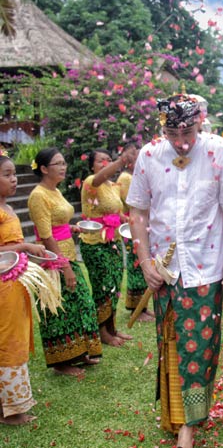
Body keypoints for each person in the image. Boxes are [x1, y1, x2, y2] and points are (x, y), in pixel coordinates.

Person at [126, 93, 223, 448]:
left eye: (188, 133)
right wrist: (145, 260)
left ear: (201, 122)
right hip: (165, 270)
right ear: (161, 128)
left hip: (205, 268)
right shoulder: (149, 155)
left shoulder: (221, 151)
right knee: (170, 341)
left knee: (201, 344)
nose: (180, 143)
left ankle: (188, 426)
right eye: (172, 134)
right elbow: (138, 212)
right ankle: (176, 415)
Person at [28, 148, 102, 376]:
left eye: (63, 163)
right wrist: (65, 267)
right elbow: (46, 235)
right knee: (60, 309)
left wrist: (70, 228)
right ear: (43, 169)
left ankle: (81, 352)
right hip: (53, 261)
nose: (63, 167)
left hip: (68, 253)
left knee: (82, 303)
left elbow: (56, 224)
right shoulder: (37, 195)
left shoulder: (55, 191)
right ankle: (62, 361)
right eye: (57, 164)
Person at [0, 154, 45, 424]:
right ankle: (10, 410)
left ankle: (11, 403)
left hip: (14, 283)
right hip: (3, 287)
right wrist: (25, 247)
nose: (14, 179)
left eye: (14, 173)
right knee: (8, 341)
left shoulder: (8, 207)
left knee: (16, 337)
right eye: (7, 174)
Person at [80, 147, 136, 347]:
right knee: (102, 286)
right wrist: (121, 161)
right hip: (95, 244)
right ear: (92, 165)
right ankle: (102, 331)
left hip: (112, 242)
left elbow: (117, 211)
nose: (105, 163)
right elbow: (99, 178)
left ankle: (111, 328)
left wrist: (129, 221)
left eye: (108, 159)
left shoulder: (113, 185)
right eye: (100, 161)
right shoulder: (90, 182)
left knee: (114, 284)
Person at [116, 144, 154, 322]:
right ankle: (135, 309)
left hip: (142, 227)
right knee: (136, 267)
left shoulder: (135, 176)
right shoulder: (125, 178)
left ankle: (142, 308)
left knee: (141, 268)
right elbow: (133, 205)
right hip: (131, 229)